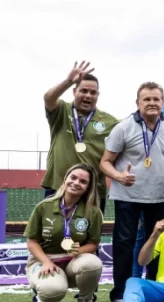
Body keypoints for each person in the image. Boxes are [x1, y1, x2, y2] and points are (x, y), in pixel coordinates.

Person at [100, 82, 164, 302]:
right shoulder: (123, 128)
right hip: (127, 195)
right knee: (124, 245)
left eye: (156, 99)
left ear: (163, 103)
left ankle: (152, 291)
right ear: (137, 103)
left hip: (158, 197)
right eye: (146, 99)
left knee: (157, 245)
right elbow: (105, 162)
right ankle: (119, 296)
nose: (152, 103)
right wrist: (119, 176)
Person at [25, 164, 104, 302]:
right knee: (51, 289)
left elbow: (93, 244)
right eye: (73, 177)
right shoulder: (43, 207)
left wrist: (78, 251)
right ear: (65, 179)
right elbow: (32, 242)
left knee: (93, 263)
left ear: (88, 187)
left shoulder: (93, 212)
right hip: (45, 262)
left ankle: (85, 301)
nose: (76, 183)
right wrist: (46, 262)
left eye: (83, 181)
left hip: (73, 262)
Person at [42, 61, 118, 208]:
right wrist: (68, 81)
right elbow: (48, 98)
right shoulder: (61, 111)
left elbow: (134, 125)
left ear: (98, 95)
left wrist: (162, 117)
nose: (88, 95)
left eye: (93, 92)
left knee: (91, 232)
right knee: (53, 231)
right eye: (83, 91)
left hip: (93, 191)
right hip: (58, 187)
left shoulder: (110, 121)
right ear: (74, 91)